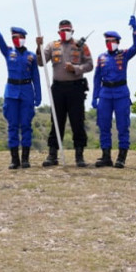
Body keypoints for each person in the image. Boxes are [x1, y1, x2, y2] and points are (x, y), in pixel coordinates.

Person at [0, 8, 41, 169]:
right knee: (13, 125)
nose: (16, 40)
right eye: (14, 37)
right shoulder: (8, 52)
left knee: (26, 125)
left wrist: (38, 95)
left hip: (27, 91)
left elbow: (36, 76)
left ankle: (26, 158)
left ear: (24, 39)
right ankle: (15, 159)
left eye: (19, 37)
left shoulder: (31, 56)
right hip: (12, 92)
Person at [36, 19, 94, 168]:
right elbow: (41, 62)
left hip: (76, 88)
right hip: (58, 89)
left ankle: (79, 155)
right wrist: (38, 46)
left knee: (77, 122)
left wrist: (76, 68)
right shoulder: (52, 45)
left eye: (67, 30)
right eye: (62, 31)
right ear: (58, 32)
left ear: (72, 31)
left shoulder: (81, 46)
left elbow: (90, 65)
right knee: (56, 121)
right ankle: (52, 154)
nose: (65, 33)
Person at [91, 16, 136, 168]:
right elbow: (97, 77)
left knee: (122, 125)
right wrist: (95, 97)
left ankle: (121, 157)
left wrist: (135, 30)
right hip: (105, 93)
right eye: (107, 41)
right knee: (104, 125)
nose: (109, 44)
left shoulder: (123, 54)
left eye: (111, 41)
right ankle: (106, 156)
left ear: (117, 42)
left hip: (121, 93)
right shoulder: (101, 57)